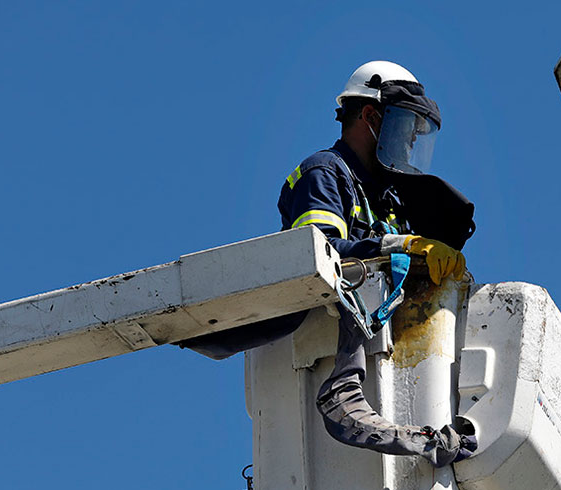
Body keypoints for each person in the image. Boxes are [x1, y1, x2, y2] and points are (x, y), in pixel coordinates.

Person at [180, 60, 478, 467]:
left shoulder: (388, 199)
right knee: (354, 273)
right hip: (326, 338)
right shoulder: (325, 173)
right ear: (372, 116)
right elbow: (321, 250)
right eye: (405, 128)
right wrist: (402, 243)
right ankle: (343, 395)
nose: (409, 144)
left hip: (392, 358)